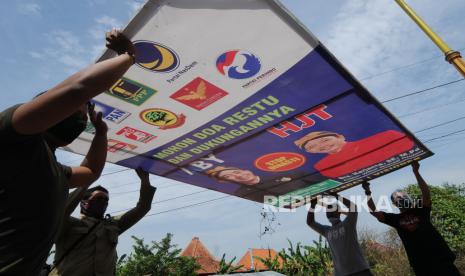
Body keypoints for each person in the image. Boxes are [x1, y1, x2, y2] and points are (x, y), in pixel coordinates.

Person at [0, 29, 136, 275]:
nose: (84, 115)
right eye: (82, 109)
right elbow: (78, 89)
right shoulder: (11, 136)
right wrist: (128, 55)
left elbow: (91, 171)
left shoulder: (54, 168)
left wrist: (101, 133)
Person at [50, 168, 156, 276]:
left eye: (106, 200)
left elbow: (143, 207)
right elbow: (61, 209)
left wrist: (145, 180)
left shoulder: (113, 224)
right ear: (84, 203)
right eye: (99, 198)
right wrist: (86, 181)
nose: (104, 203)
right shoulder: (67, 223)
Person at [362, 162, 460, 276]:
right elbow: (374, 212)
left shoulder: (421, 210)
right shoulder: (395, 219)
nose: (401, 198)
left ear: (408, 197)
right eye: (397, 198)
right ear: (394, 204)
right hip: (422, 267)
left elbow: (426, 193)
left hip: (442, 260)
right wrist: (367, 192)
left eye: (403, 196)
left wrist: (416, 172)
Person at [294, 130, 414, 178]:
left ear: (340, 137)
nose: (322, 146)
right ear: (310, 152)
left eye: (325, 140)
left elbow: (410, 149)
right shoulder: (323, 167)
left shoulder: (388, 136)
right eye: (312, 147)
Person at [307, 194, 372, 276]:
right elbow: (310, 222)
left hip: (352, 272)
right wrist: (336, 196)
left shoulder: (339, 227)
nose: (328, 212)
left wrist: (313, 205)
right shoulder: (335, 228)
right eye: (328, 211)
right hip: (353, 271)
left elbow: (310, 222)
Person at [205, 166, 325, 202]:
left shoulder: (287, 172)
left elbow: (326, 182)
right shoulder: (243, 194)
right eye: (229, 176)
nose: (239, 175)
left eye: (237, 171)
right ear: (226, 181)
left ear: (245, 169)